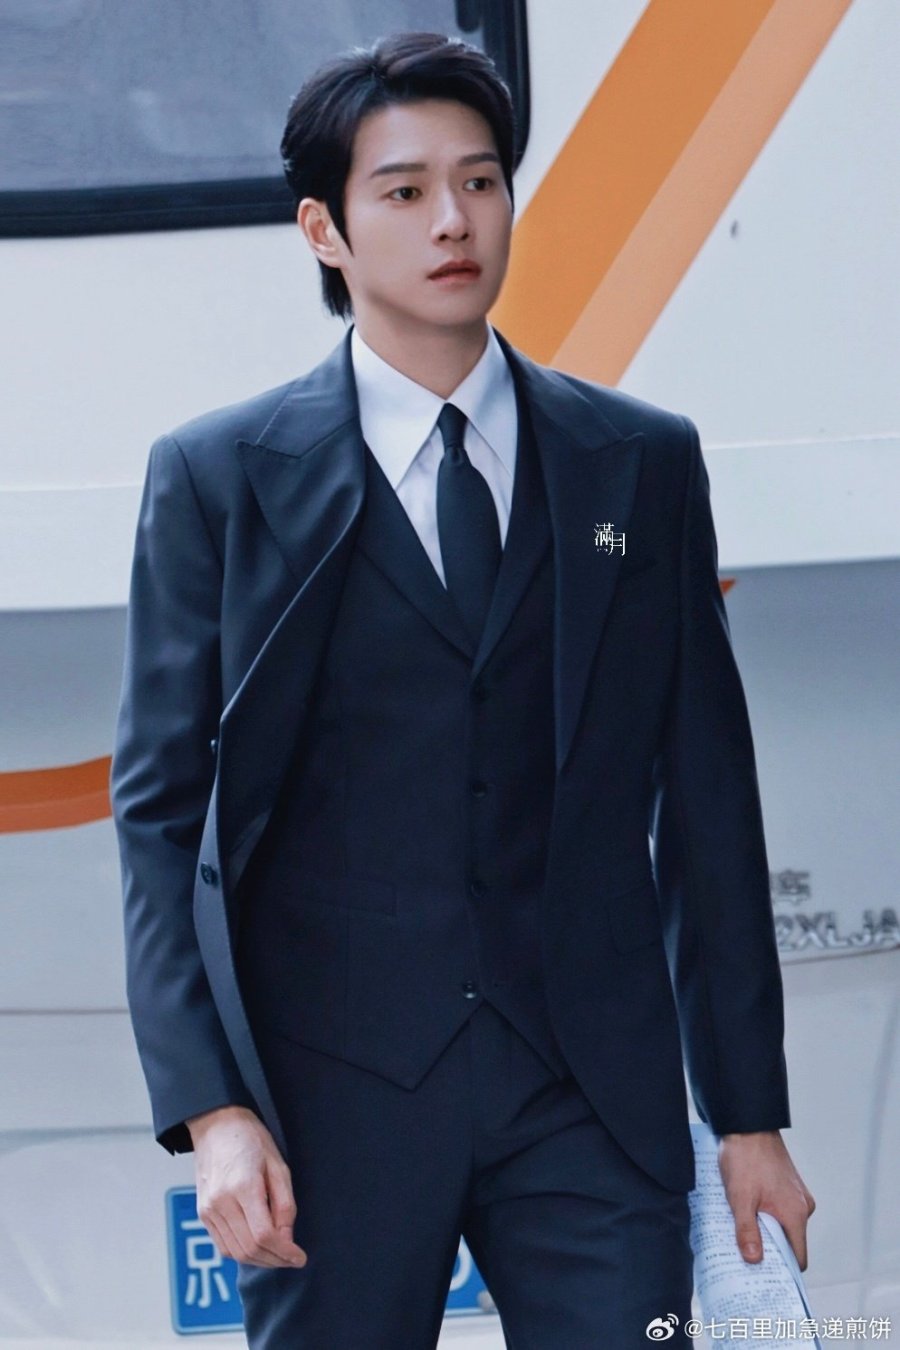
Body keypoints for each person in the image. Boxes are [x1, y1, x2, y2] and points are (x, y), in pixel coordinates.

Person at [110, 29, 815, 1349]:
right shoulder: (220, 478)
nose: (454, 220)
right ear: (324, 230)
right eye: (405, 190)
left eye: (481, 181)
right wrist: (215, 1110)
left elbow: (708, 803)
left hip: (589, 1097)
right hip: (329, 1104)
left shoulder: (639, 462)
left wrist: (749, 1116)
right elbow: (159, 816)